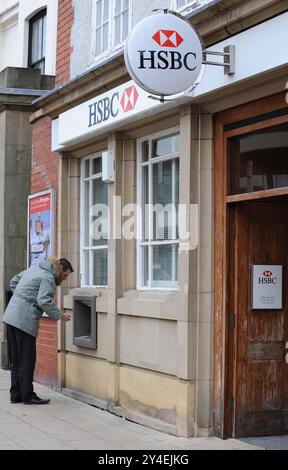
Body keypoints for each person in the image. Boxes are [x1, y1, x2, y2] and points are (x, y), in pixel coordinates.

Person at [2, 257, 73, 405]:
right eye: (65, 275)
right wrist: (60, 315)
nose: (65, 279)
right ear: (60, 270)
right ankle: (28, 395)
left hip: (10, 316)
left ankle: (16, 394)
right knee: (27, 359)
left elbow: (14, 281)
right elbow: (44, 300)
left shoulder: (35, 269)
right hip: (25, 320)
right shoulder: (48, 277)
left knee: (16, 359)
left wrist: (22, 297)